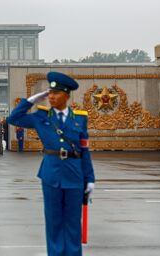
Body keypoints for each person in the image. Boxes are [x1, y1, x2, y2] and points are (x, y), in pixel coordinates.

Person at [7, 71, 95, 256]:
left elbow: (84, 150)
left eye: (56, 93)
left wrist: (90, 179)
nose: (52, 97)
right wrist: (30, 100)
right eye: (50, 93)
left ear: (67, 95)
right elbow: (13, 119)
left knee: (72, 222)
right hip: (51, 175)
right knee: (54, 222)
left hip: (74, 174)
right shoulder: (41, 117)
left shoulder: (79, 119)